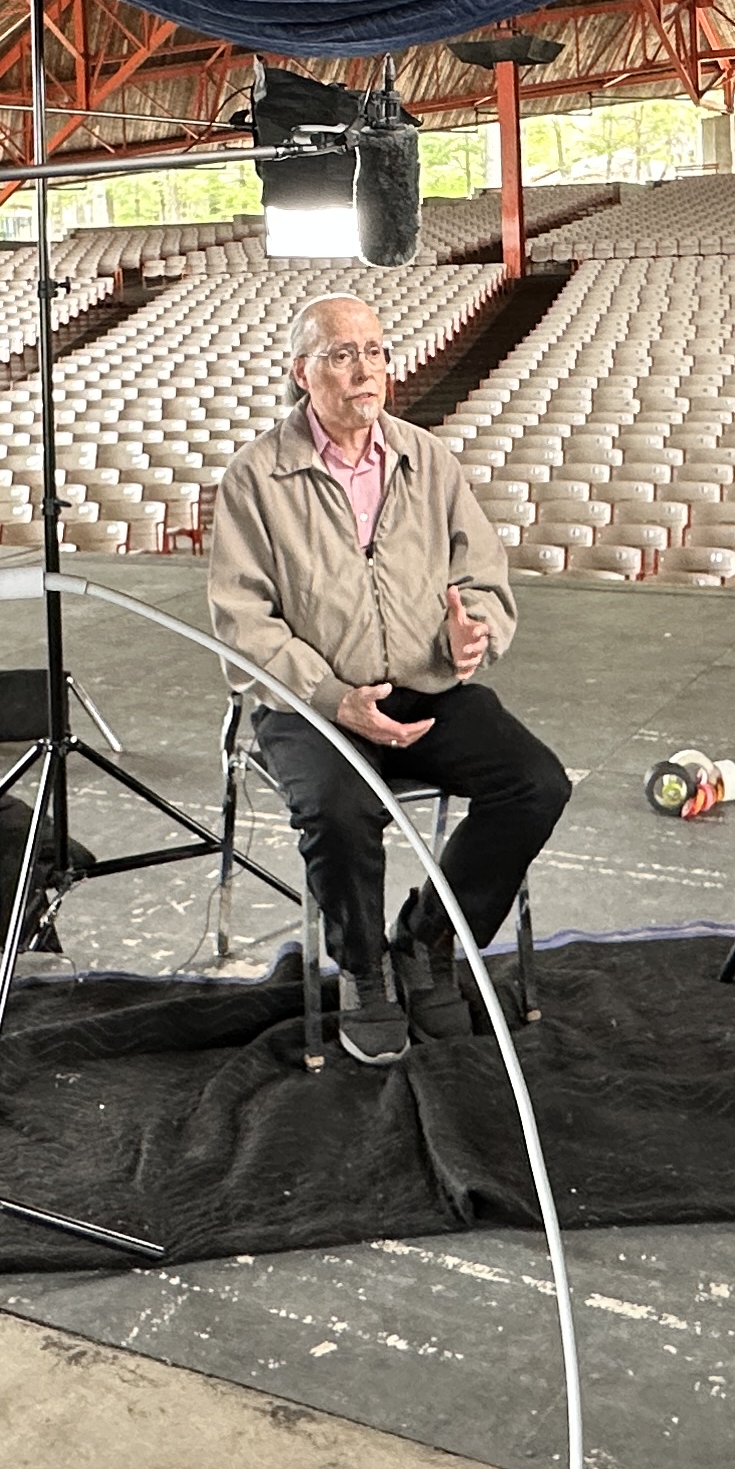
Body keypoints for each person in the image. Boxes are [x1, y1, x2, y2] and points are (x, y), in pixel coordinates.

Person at [208, 293, 569, 1065]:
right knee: (340, 810)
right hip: (307, 705)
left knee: (536, 783)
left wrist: (474, 632)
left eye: (374, 351)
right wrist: (337, 700)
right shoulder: (255, 478)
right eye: (342, 354)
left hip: (423, 684)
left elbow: (481, 574)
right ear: (303, 372)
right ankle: (364, 970)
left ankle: (429, 940)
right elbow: (244, 623)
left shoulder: (428, 459)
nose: (364, 369)